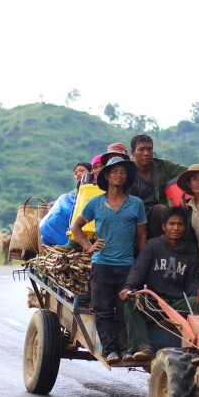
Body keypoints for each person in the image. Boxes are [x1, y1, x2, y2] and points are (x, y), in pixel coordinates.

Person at [70, 155, 147, 365]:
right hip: (102, 263)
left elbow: (141, 236)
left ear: (127, 177)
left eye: (123, 172)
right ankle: (110, 350)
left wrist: (141, 263)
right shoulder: (95, 203)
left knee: (124, 311)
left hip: (126, 266)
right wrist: (88, 246)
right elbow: (76, 227)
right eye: (114, 172)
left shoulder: (136, 204)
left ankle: (124, 350)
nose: (119, 175)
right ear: (107, 176)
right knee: (103, 310)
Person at [119, 206, 199, 361]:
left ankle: (195, 350)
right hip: (154, 301)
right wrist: (128, 287)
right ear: (164, 227)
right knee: (132, 304)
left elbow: (191, 281)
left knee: (197, 303)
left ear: (184, 228)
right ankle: (141, 347)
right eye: (172, 224)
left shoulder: (190, 250)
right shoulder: (153, 245)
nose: (176, 228)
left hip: (176, 303)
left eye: (180, 224)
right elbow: (138, 270)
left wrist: (198, 296)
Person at [128, 134, 188, 239]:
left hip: (161, 212)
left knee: (174, 212)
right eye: (141, 149)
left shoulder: (163, 166)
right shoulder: (128, 171)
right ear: (133, 153)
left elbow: (188, 173)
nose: (146, 153)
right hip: (137, 214)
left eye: (149, 149)